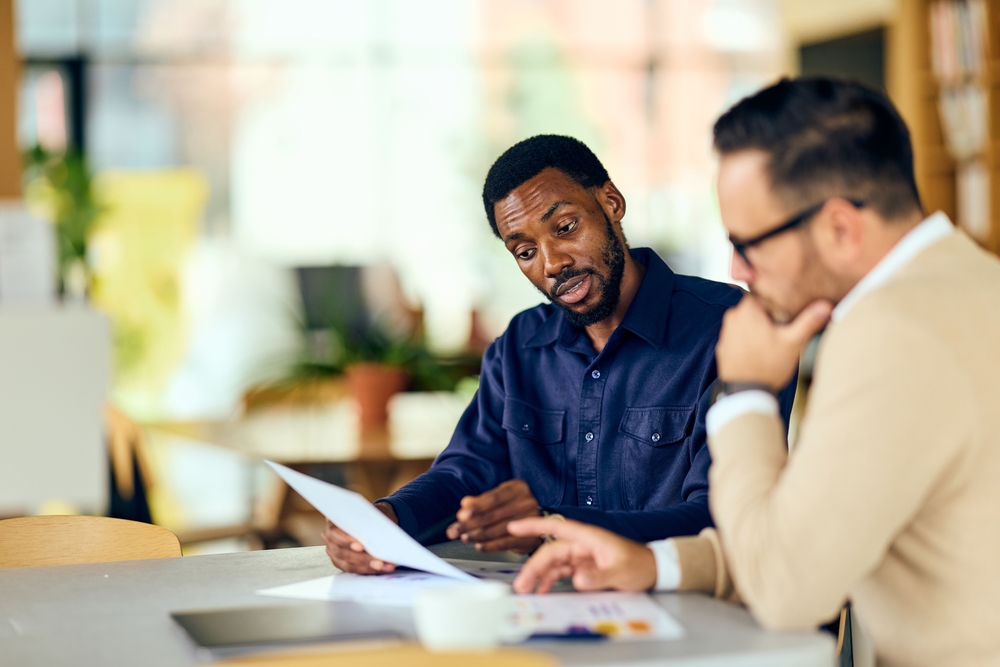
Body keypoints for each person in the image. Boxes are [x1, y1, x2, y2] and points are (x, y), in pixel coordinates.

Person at [508, 78, 1000, 667]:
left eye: (749, 243)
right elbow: (816, 535)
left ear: (840, 228)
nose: (737, 268)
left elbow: (788, 589)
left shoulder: (893, 333)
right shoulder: (969, 287)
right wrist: (656, 563)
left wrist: (743, 391)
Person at [322, 134, 795, 574]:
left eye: (565, 227)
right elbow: (467, 472)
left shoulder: (734, 330)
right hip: (543, 605)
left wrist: (551, 522)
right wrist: (389, 518)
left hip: (683, 605)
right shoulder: (519, 346)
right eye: (525, 252)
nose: (552, 264)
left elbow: (721, 513)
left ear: (611, 203)